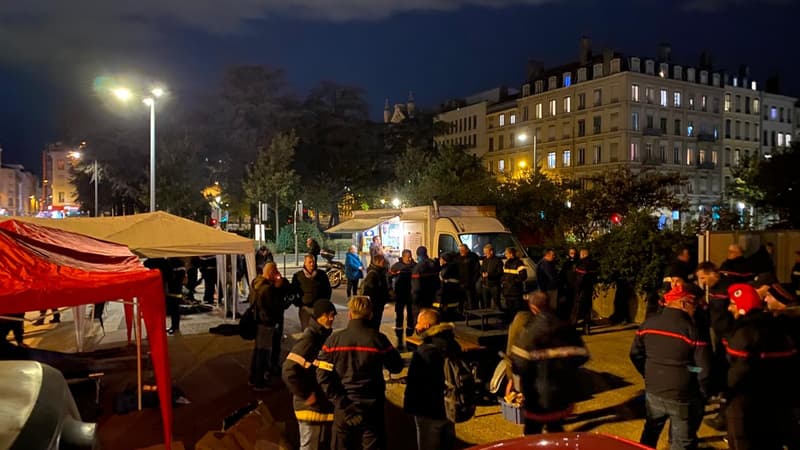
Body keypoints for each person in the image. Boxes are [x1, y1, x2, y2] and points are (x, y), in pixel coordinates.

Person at [630, 284, 711, 450]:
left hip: (653, 390)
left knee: (650, 432)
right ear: (683, 304)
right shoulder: (692, 330)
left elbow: (635, 354)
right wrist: (691, 372)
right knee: (681, 442)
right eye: (694, 305)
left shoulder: (647, 324)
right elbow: (702, 369)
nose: (695, 309)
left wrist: (648, 371)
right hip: (681, 395)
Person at [317, 296, 404, 450]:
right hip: (372, 408)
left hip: (344, 407)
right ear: (370, 315)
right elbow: (396, 366)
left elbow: (323, 376)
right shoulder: (378, 339)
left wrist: (341, 402)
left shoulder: (334, 341)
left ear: (350, 314)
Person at [724, 283, 800, 450]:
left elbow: (736, 373)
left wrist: (726, 392)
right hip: (776, 402)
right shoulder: (778, 327)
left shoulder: (744, 333)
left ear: (743, 307)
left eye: (732, 304)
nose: (729, 309)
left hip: (747, 405)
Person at [510, 289, 589, 435]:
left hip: (537, 397)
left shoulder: (529, 333)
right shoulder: (566, 327)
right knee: (556, 429)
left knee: (532, 433)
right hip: (562, 393)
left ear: (533, 307)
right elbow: (583, 355)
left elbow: (519, 364)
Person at [282, 300, 337, 450]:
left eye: (333, 315)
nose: (331, 318)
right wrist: (306, 395)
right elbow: (288, 370)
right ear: (318, 316)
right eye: (327, 315)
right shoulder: (310, 339)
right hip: (310, 409)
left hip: (317, 407)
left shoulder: (320, 336)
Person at [403, 309, 460, 450]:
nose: (416, 326)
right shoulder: (452, 344)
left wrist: (409, 406)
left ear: (427, 326)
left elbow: (414, 383)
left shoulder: (424, 351)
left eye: (418, 323)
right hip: (449, 406)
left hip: (428, 410)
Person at [249, 262, 288, 390]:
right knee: (263, 353)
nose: (277, 273)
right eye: (275, 271)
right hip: (266, 324)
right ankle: (259, 382)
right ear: (271, 272)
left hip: (258, 322)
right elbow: (275, 306)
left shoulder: (256, 283)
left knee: (258, 351)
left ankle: (253, 378)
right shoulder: (267, 288)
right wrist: (278, 287)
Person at [291, 255, 333, 330]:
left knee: (320, 329)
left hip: (319, 308)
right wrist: (298, 303)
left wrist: (325, 303)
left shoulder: (322, 275)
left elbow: (328, 289)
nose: (312, 264)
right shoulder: (298, 276)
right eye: (309, 262)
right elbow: (293, 291)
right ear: (305, 263)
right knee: (307, 330)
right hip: (305, 308)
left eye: (313, 262)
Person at [390, 249, 416, 350]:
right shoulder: (396, 266)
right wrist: (390, 290)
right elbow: (388, 276)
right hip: (400, 294)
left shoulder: (414, 265)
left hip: (411, 294)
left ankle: (410, 340)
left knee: (411, 317)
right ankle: (399, 340)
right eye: (407, 257)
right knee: (399, 316)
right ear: (403, 256)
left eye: (410, 256)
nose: (409, 259)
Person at [571, 248, 599, 335]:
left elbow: (580, 279)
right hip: (589, 290)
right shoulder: (594, 264)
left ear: (582, 254)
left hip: (581, 291)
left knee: (576, 310)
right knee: (587, 310)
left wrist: (576, 289)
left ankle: (572, 329)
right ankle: (587, 329)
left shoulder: (581, 264)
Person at [362, 253, 390, 329]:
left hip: (379, 304)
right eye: (383, 261)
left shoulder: (380, 272)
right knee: (374, 324)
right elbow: (368, 291)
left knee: (376, 324)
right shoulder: (373, 274)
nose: (384, 263)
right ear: (378, 262)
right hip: (375, 305)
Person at [411, 246, 440, 316]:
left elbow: (416, 286)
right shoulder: (434, 264)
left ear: (418, 254)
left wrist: (414, 299)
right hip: (432, 296)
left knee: (420, 318)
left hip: (421, 297)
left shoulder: (418, 268)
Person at [501, 247, 527, 321]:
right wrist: (503, 281)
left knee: (517, 310)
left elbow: (523, 276)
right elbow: (504, 274)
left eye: (506, 253)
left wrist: (513, 282)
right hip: (507, 291)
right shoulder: (507, 263)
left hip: (515, 291)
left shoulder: (519, 263)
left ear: (511, 254)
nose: (505, 255)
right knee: (509, 309)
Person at [435, 252, 462, 321]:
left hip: (446, 299)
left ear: (444, 260)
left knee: (444, 318)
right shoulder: (455, 267)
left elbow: (443, 282)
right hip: (453, 298)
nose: (439, 261)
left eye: (440, 259)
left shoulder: (445, 269)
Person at [455, 244, 481, 310]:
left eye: (463, 250)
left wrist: (473, 281)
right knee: (460, 300)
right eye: (460, 250)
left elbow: (477, 270)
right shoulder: (457, 256)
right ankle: (461, 313)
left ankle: (473, 313)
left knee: (471, 300)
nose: (461, 252)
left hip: (470, 283)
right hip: (460, 283)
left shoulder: (473, 256)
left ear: (467, 250)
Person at [166, 258, 187, 335]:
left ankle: (175, 327)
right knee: (173, 309)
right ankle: (174, 326)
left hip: (175, 289)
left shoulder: (176, 262)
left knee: (174, 309)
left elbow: (179, 275)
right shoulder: (173, 261)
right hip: (173, 288)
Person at [557, 248, 579, 320]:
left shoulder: (579, 262)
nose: (573, 255)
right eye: (571, 253)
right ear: (569, 254)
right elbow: (562, 275)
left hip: (577, 286)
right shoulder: (566, 263)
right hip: (569, 286)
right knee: (569, 303)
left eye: (574, 253)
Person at [480, 244, 504, 310]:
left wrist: (489, 274)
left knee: (497, 303)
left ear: (491, 252)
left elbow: (500, 273)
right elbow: (481, 269)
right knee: (486, 304)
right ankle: (487, 319)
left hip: (494, 286)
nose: (485, 254)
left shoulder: (498, 261)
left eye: (486, 253)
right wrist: (482, 273)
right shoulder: (485, 260)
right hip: (485, 286)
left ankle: (498, 318)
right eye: (484, 253)